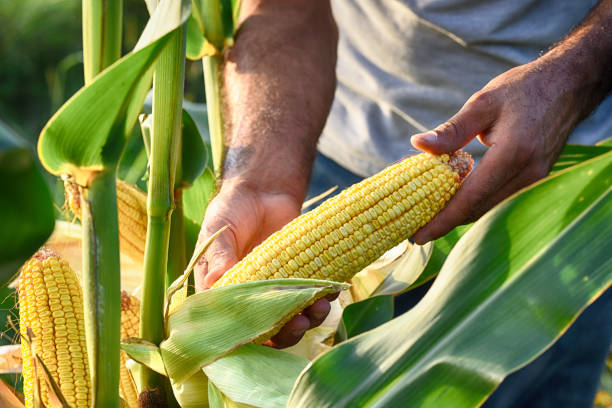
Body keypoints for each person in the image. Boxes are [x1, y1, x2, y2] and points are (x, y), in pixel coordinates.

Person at [194, 0, 612, 406]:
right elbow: (287, 8)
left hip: (563, 178)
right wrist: (261, 180)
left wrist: (572, 80)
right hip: (320, 149)